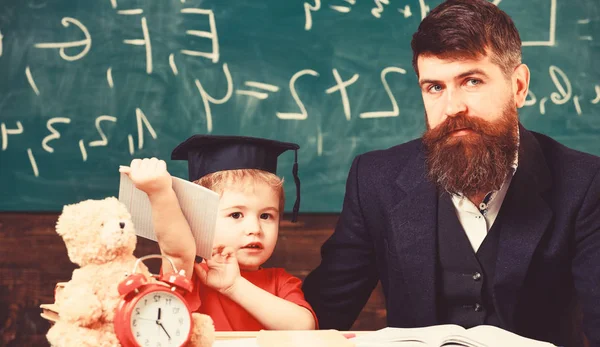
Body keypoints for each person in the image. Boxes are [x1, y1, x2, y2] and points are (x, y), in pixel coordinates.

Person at [302, 0, 600, 345]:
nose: (453, 107)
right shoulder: (374, 178)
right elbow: (321, 315)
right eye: (435, 87)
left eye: (472, 81)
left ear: (518, 86)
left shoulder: (586, 183)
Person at [120, 135, 317, 331]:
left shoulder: (280, 282)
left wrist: (234, 286)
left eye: (266, 216)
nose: (255, 229)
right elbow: (176, 251)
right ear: (200, 219)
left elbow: (304, 327)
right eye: (236, 214)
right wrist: (159, 193)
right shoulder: (189, 275)